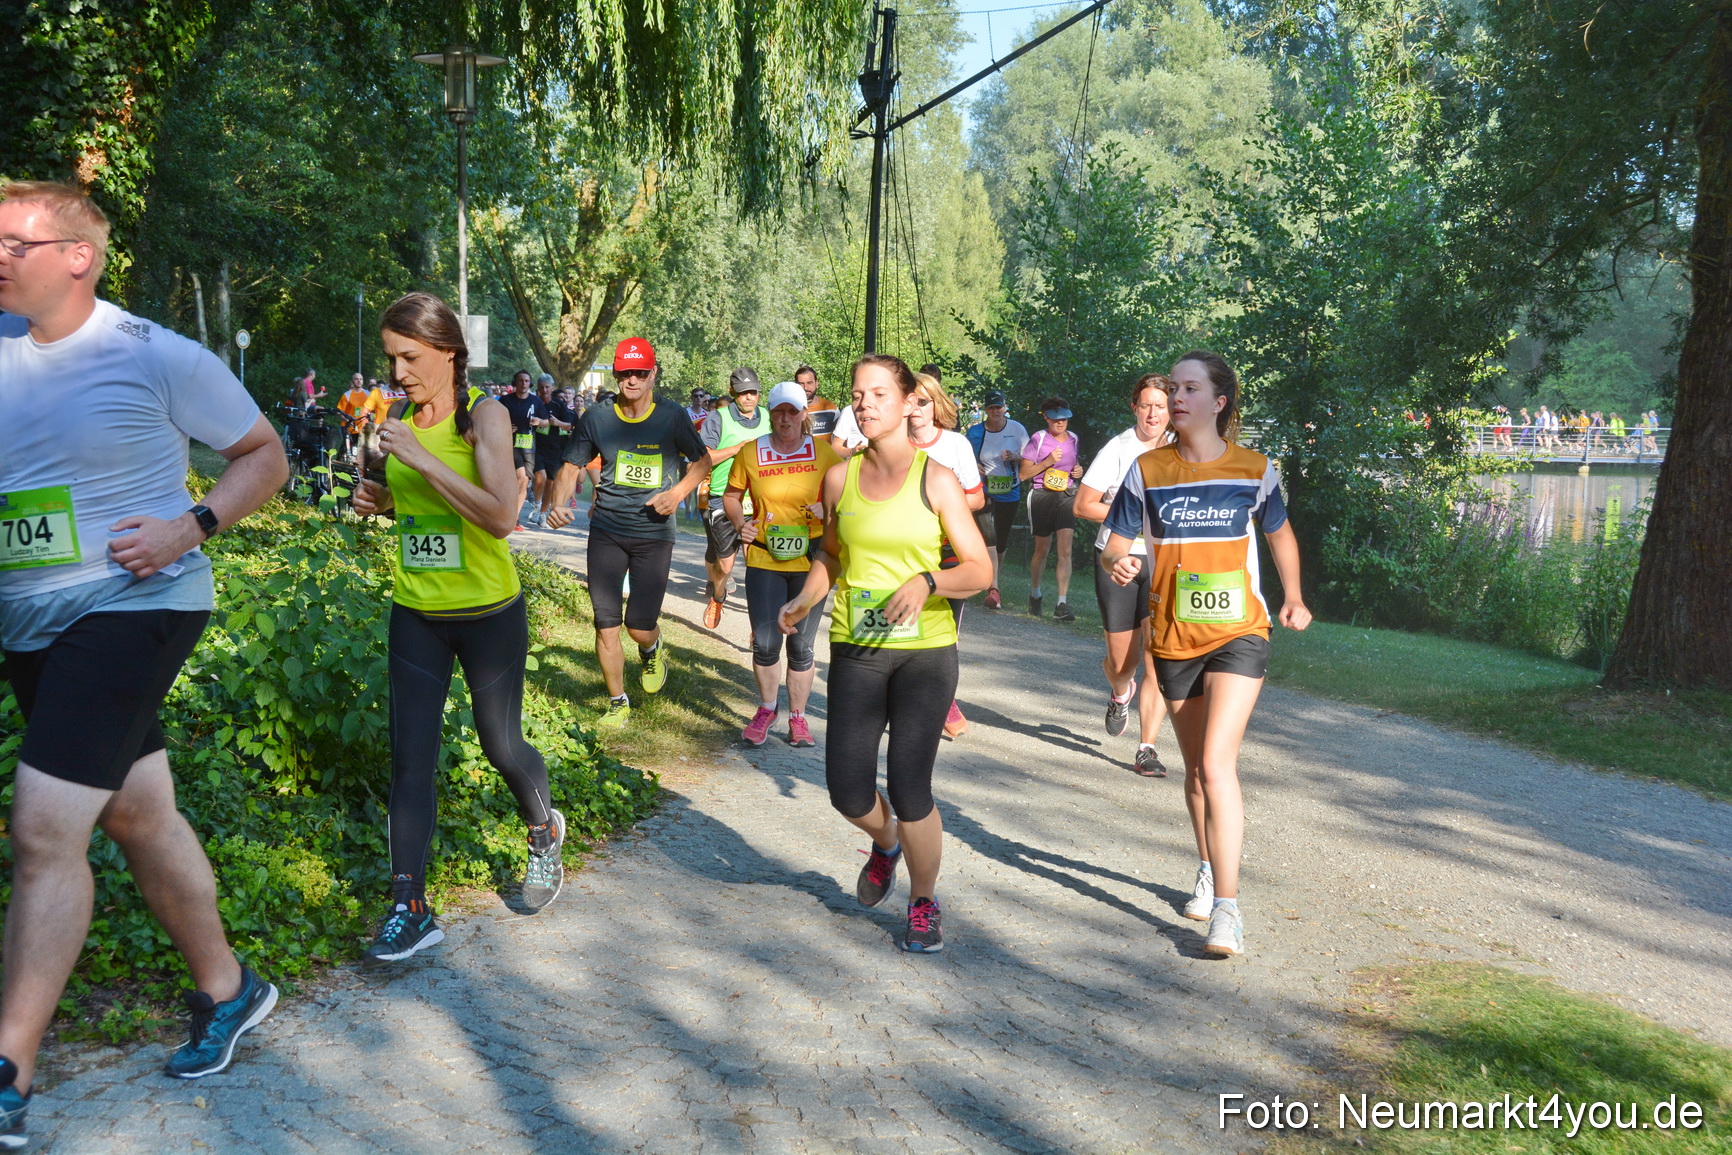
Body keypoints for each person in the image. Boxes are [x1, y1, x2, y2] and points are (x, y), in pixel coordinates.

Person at [0, 181, 290, 1144]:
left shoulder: (155, 353)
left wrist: (187, 527)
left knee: (44, 829)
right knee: (136, 810)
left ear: (78, 256)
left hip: (138, 603)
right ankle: (229, 987)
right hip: (33, 619)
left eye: (17, 240)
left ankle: (10, 1068)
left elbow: (264, 454)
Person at [348, 293, 565, 961]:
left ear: (448, 350)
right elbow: (421, 511)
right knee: (410, 761)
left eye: (409, 356)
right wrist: (382, 500)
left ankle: (543, 829)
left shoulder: (484, 417)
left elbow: (500, 516)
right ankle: (409, 904)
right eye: (390, 358)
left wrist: (419, 459)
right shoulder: (401, 423)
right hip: (416, 612)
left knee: (502, 746)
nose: (399, 371)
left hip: (488, 616)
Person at [1100, 351, 1312, 957]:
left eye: (1190, 389)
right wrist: (1123, 561)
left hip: (1241, 631)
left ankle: (1228, 907)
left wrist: (1293, 597)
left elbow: (1280, 534)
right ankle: (1206, 865)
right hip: (1172, 638)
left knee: (1218, 763)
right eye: (1174, 388)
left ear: (1219, 402)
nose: (1177, 398)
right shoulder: (1147, 469)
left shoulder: (1255, 468)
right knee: (1194, 770)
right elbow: (1115, 542)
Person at [777, 354, 991, 954]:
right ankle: (887, 843)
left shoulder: (937, 479)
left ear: (905, 402)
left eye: (877, 394)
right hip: (858, 647)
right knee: (847, 789)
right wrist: (803, 600)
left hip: (925, 652)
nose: (865, 403)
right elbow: (831, 556)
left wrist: (927, 580)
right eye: (857, 395)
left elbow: (978, 568)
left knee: (910, 785)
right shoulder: (839, 478)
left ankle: (924, 901)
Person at [545, 338, 710, 727]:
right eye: (624, 372)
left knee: (638, 625)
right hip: (606, 530)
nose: (631, 379)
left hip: (654, 533)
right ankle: (618, 702)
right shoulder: (597, 418)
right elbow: (571, 465)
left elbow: (702, 462)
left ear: (653, 374)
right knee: (605, 621)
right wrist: (559, 503)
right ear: (616, 374)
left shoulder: (671, 417)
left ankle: (652, 648)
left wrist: (677, 493)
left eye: (639, 372)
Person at [722, 382, 842, 746]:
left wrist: (829, 506)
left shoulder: (824, 454)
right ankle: (767, 708)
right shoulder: (751, 452)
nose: (786, 418)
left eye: (793, 411)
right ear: (769, 413)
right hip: (764, 556)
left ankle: (799, 718)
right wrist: (741, 524)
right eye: (779, 412)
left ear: (804, 414)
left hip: (812, 561)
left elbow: (850, 491)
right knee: (765, 642)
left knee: (802, 647)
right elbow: (730, 495)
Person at [1075, 375, 1173, 777]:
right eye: (1146, 405)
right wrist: (1132, 519)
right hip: (1117, 559)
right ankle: (1120, 693)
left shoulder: (1182, 450)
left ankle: (1146, 748)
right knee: (1122, 661)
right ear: (1135, 407)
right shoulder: (1118, 449)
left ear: (1172, 411)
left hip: (1164, 563)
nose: (1153, 414)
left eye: (1161, 406)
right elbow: (1083, 505)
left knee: (1157, 656)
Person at [907, 372, 984, 739]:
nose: (916, 409)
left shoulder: (955, 445)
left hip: (949, 549)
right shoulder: (892, 444)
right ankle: (907, 700)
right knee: (905, 626)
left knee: (946, 631)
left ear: (936, 404)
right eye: (910, 400)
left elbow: (977, 497)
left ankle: (944, 699)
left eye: (923, 401)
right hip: (905, 550)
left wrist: (940, 508)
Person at [699, 368, 766, 628]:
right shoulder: (718, 417)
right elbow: (705, 458)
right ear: (732, 393)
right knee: (725, 567)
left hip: (759, 498)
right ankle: (718, 595)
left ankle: (758, 626)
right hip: (724, 497)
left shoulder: (770, 418)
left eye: (753, 392)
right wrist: (738, 449)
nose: (749, 397)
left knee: (757, 565)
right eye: (743, 393)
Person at [964, 390, 1029, 610]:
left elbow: (1029, 459)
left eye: (998, 407)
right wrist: (974, 466)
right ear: (985, 410)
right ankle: (994, 588)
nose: (995, 412)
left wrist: (1015, 457)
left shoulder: (1017, 429)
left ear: (1004, 408)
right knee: (988, 537)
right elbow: (964, 458)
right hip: (983, 491)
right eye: (991, 408)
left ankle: (994, 581)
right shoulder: (974, 432)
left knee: (1000, 540)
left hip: (1009, 491)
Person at [1020, 397, 1083, 620]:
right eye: (1056, 419)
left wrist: (1078, 471)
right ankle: (1035, 594)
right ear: (1046, 418)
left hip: (1066, 496)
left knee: (1065, 551)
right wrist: (1047, 462)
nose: (1060, 423)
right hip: (1041, 496)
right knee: (1042, 550)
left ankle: (1061, 604)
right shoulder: (1038, 439)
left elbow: (1073, 466)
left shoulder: (1074, 439)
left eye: (1064, 419)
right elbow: (1023, 474)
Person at [496, 370, 548, 528]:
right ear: (515, 382)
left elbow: (546, 422)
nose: (523, 384)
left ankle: (514, 517)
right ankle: (508, 514)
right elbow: (494, 420)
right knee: (519, 477)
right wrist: (504, 427)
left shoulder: (536, 401)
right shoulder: (505, 401)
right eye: (520, 381)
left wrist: (539, 421)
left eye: (526, 381)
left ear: (530, 383)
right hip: (509, 444)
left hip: (528, 446)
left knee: (524, 481)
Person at [532, 374, 572, 524]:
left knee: (550, 483)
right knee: (540, 478)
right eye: (541, 387)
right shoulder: (534, 403)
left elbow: (568, 425)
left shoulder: (558, 404)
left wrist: (557, 422)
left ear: (552, 388)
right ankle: (536, 504)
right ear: (538, 389)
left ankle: (543, 513)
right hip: (537, 447)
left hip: (554, 449)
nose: (544, 390)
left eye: (547, 387)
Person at [797, 365, 841, 445]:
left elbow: (840, 443)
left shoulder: (831, 409)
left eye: (809, 383)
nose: (805, 387)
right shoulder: (791, 411)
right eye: (801, 384)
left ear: (816, 383)